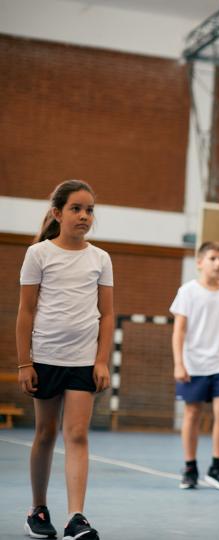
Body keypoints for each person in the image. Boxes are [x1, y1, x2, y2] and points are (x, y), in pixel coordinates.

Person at [17, 180, 113, 540]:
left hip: (83, 362)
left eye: (90, 210)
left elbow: (108, 314)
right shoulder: (38, 254)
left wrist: (101, 361)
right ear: (57, 213)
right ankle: (37, 509)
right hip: (44, 358)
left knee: (77, 435)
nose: (85, 216)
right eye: (76, 208)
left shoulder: (100, 259)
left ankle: (77, 517)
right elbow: (25, 312)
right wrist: (24, 362)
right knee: (45, 433)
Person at [170, 241, 219, 491]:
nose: (218, 263)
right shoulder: (187, 291)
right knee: (192, 413)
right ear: (200, 263)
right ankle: (190, 467)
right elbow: (179, 330)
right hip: (193, 365)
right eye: (213, 258)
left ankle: (217, 467)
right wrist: (179, 363)